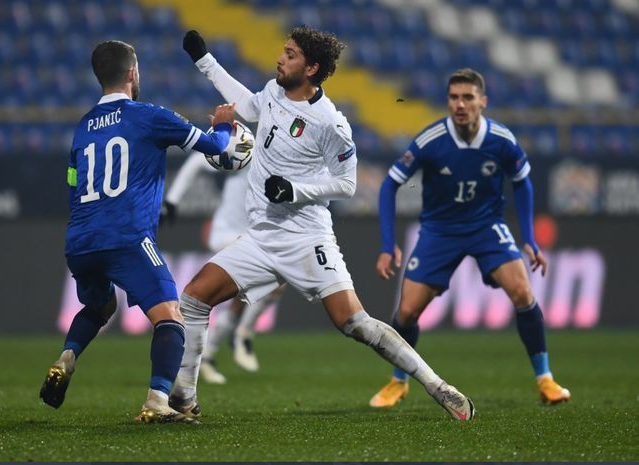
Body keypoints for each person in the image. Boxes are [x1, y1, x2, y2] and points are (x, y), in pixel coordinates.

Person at [168, 26, 475, 421]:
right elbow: (248, 105)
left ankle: (438, 386)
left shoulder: (331, 124)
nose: (281, 58)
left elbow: (347, 184)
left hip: (306, 236)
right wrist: (204, 61)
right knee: (194, 297)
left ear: (312, 68)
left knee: (355, 324)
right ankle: (184, 399)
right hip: (261, 238)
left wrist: (294, 190)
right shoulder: (274, 92)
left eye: (291, 54)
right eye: (284, 50)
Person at [38, 39, 236, 423]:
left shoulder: (82, 127)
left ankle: (67, 357)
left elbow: (72, 182)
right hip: (127, 237)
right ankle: (157, 402)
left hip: (80, 240)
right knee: (171, 318)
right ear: (132, 73)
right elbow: (216, 147)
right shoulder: (149, 115)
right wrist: (226, 127)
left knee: (99, 307)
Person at [369, 68, 571, 408]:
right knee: (406, 311)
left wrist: (530, 239)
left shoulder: (502, 141)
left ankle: (546, 379)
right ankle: (398, 381)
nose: (460, 104)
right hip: (439, 230)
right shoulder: (431, 140)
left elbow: (523, 182)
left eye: (467, 97)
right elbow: (389, 184)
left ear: (482, 101)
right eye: (454, 98)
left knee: (522, 292)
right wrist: (388, 245)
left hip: (486, 225)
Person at [161, 147, 285, 383]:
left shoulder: (285, 159)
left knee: (252, 293)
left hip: (250, 235)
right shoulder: (249, 153)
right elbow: (198, 161)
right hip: (227, 234)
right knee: (277, 273)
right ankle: (242, 335)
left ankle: (210, 353)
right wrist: (173, 200)